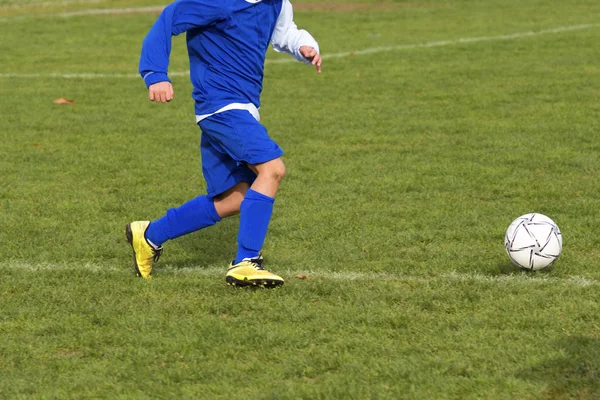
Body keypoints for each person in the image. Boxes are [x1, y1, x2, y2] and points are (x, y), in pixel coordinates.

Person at [126, 0, 322, 288]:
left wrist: (303, 46)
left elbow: (284, 33)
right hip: (221, 107)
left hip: (241, 108)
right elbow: (168, 19)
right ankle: (247, 262)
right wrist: (155, 74)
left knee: (236, 199)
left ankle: (150, 235)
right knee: (272, 170)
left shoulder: (277, 3)